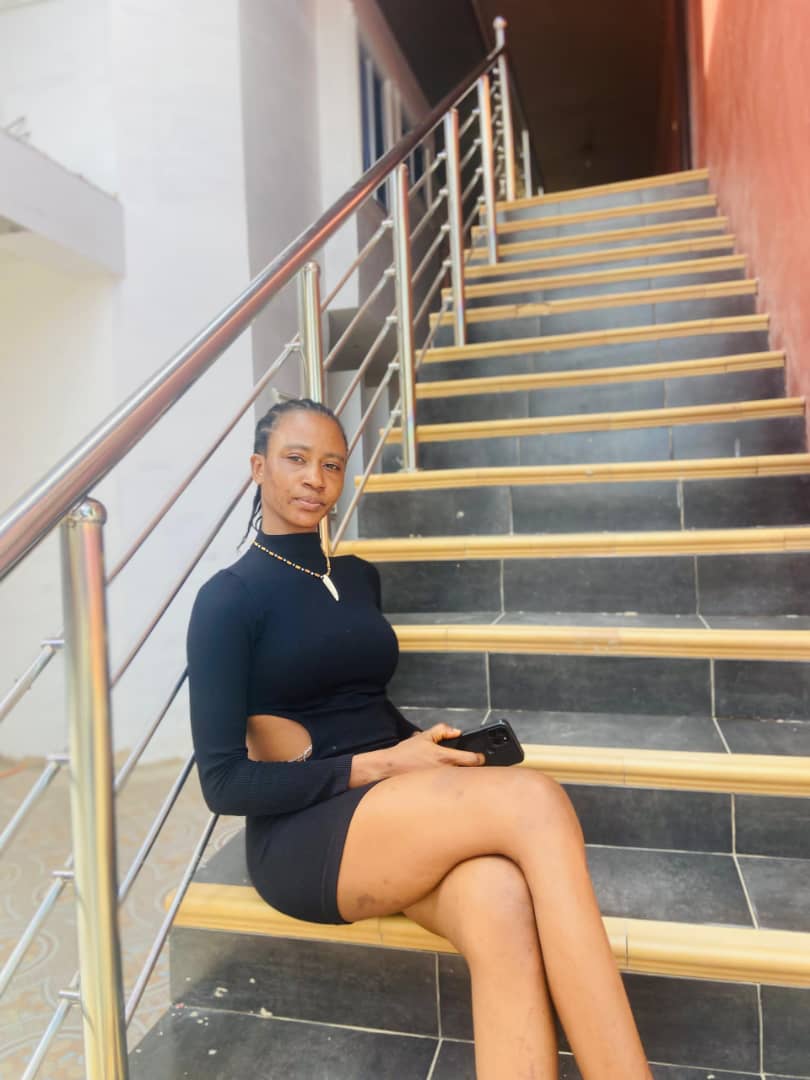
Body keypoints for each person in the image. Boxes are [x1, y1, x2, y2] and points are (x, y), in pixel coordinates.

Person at [187, 397, 653, 1080]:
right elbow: (223, 783)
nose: (315, 478)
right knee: (536, 802)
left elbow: (361, 702)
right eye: (296, 460)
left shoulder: (357, 576)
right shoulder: (227, 600)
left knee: (499, 898)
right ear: (259, 468)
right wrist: (382, 765)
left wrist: (422, 744)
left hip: (391, 805)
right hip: (306, 833)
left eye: (332, 465)